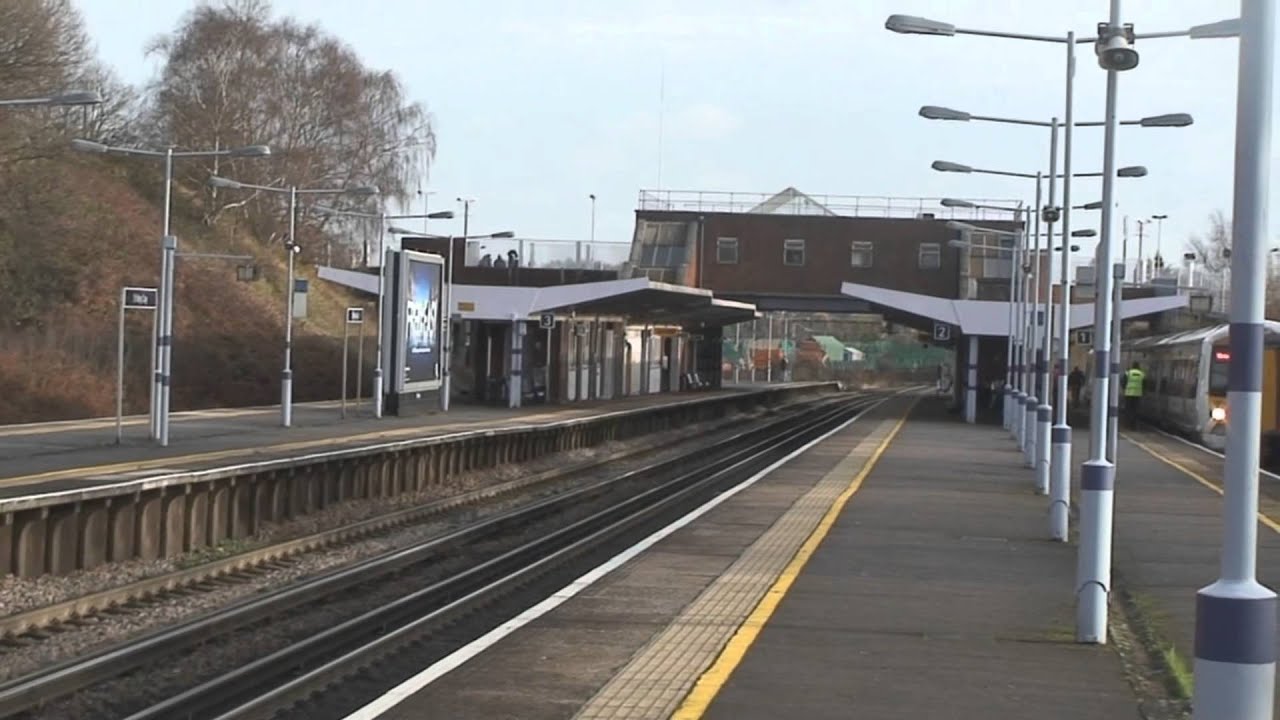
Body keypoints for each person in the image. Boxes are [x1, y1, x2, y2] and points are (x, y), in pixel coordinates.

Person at [1124, 361, 1145, 429]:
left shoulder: (1128, 373)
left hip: (1128, 393)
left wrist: (1125, 388)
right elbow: (1145, 384)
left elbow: (1123, 382)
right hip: (1138, 394)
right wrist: (1143, 391)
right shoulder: (1142, 374)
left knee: (1128, 409)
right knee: (1136, 410)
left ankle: (1128, 423)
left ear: (1132, 366)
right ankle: (1134, 425)